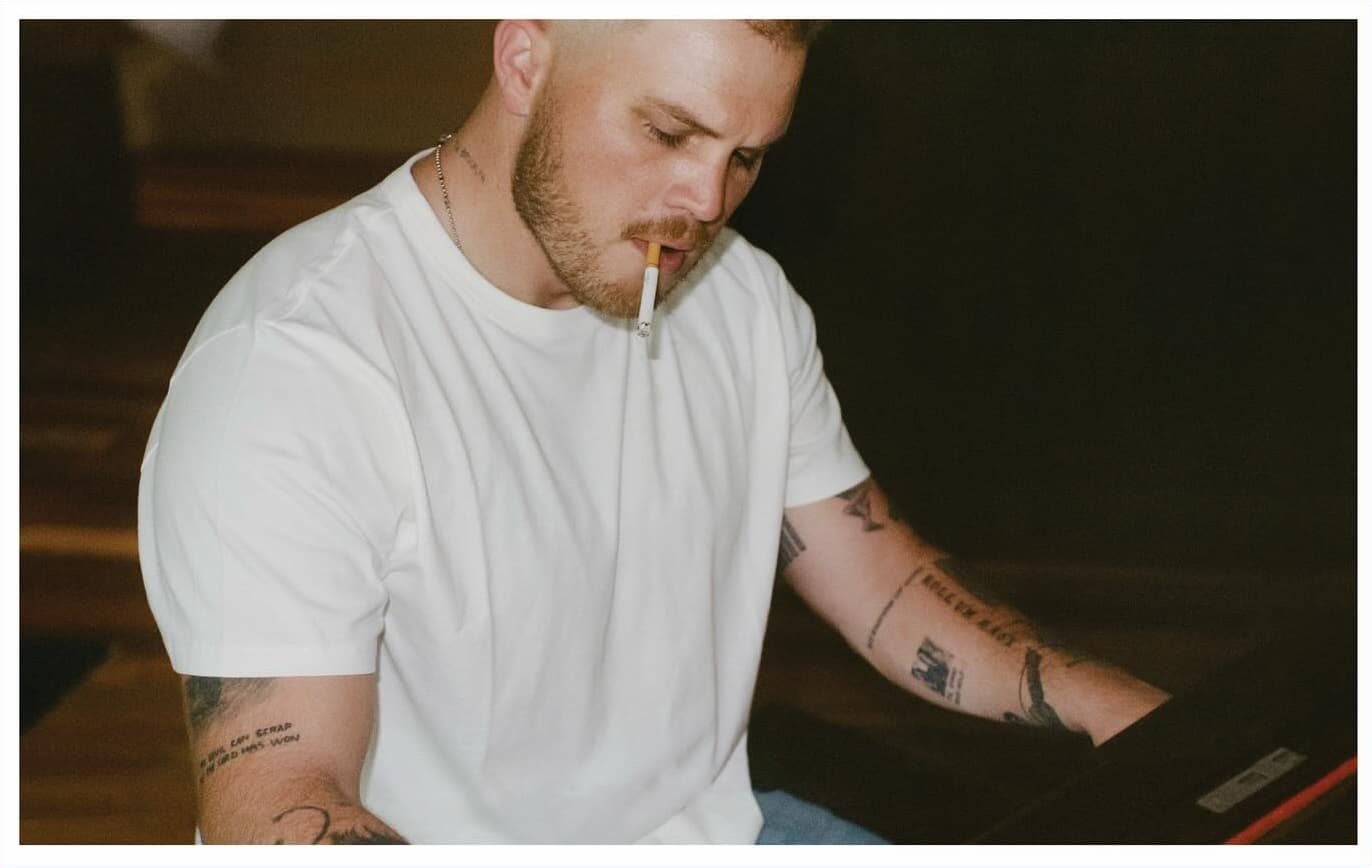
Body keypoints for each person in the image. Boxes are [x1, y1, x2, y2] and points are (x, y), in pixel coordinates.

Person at [137, 19, 1169, 845]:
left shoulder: (741, 300)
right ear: (524, 55)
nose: (704, 201)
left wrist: (1133, 714)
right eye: (670, 134)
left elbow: (884, 586)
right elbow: (277, 800)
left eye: (747, 156)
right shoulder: (295, 366)